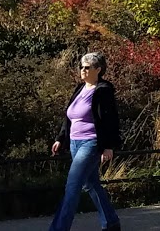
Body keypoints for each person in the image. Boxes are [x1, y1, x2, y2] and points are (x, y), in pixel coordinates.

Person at [49, 51, 121, 231]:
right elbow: (70, 117)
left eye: (87, 67)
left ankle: (58, 228)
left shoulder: (103, 90)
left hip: (91, 143)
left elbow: (110, 120)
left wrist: (108, 147)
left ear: (98, 69)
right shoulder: (80, 89)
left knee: (72, 187)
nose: (82, 70)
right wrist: (60, 138)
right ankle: (111, 222)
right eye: (81, 67)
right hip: (74, 142)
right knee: (91, 184)